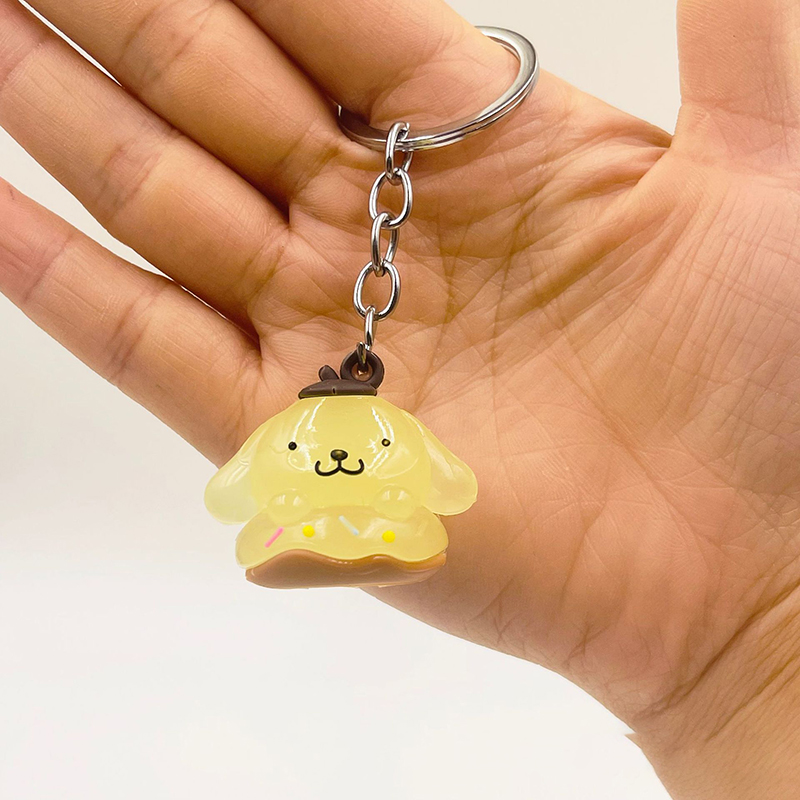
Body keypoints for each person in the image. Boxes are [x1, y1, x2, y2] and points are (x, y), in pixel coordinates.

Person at [1, 0, 799, 795]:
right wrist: (748, 671)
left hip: (394, 524)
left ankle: (353, 538)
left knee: (394, 517)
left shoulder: (381, 435)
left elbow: (442, 481)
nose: (337, 454)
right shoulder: (307, 434)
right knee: (301, 515)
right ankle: (306, 540)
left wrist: (757, 647)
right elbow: (240, 487)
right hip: (305, 525)